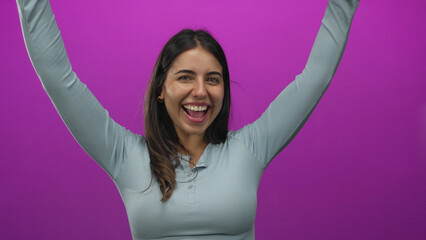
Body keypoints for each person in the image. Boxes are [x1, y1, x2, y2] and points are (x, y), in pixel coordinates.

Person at [16, 0, 360, 239]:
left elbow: (315, 78)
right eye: (185, 77)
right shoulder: (125, 156)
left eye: (213, 79)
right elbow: (59, 79)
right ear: (161, 89)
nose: (200, 91)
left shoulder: (249, 148)